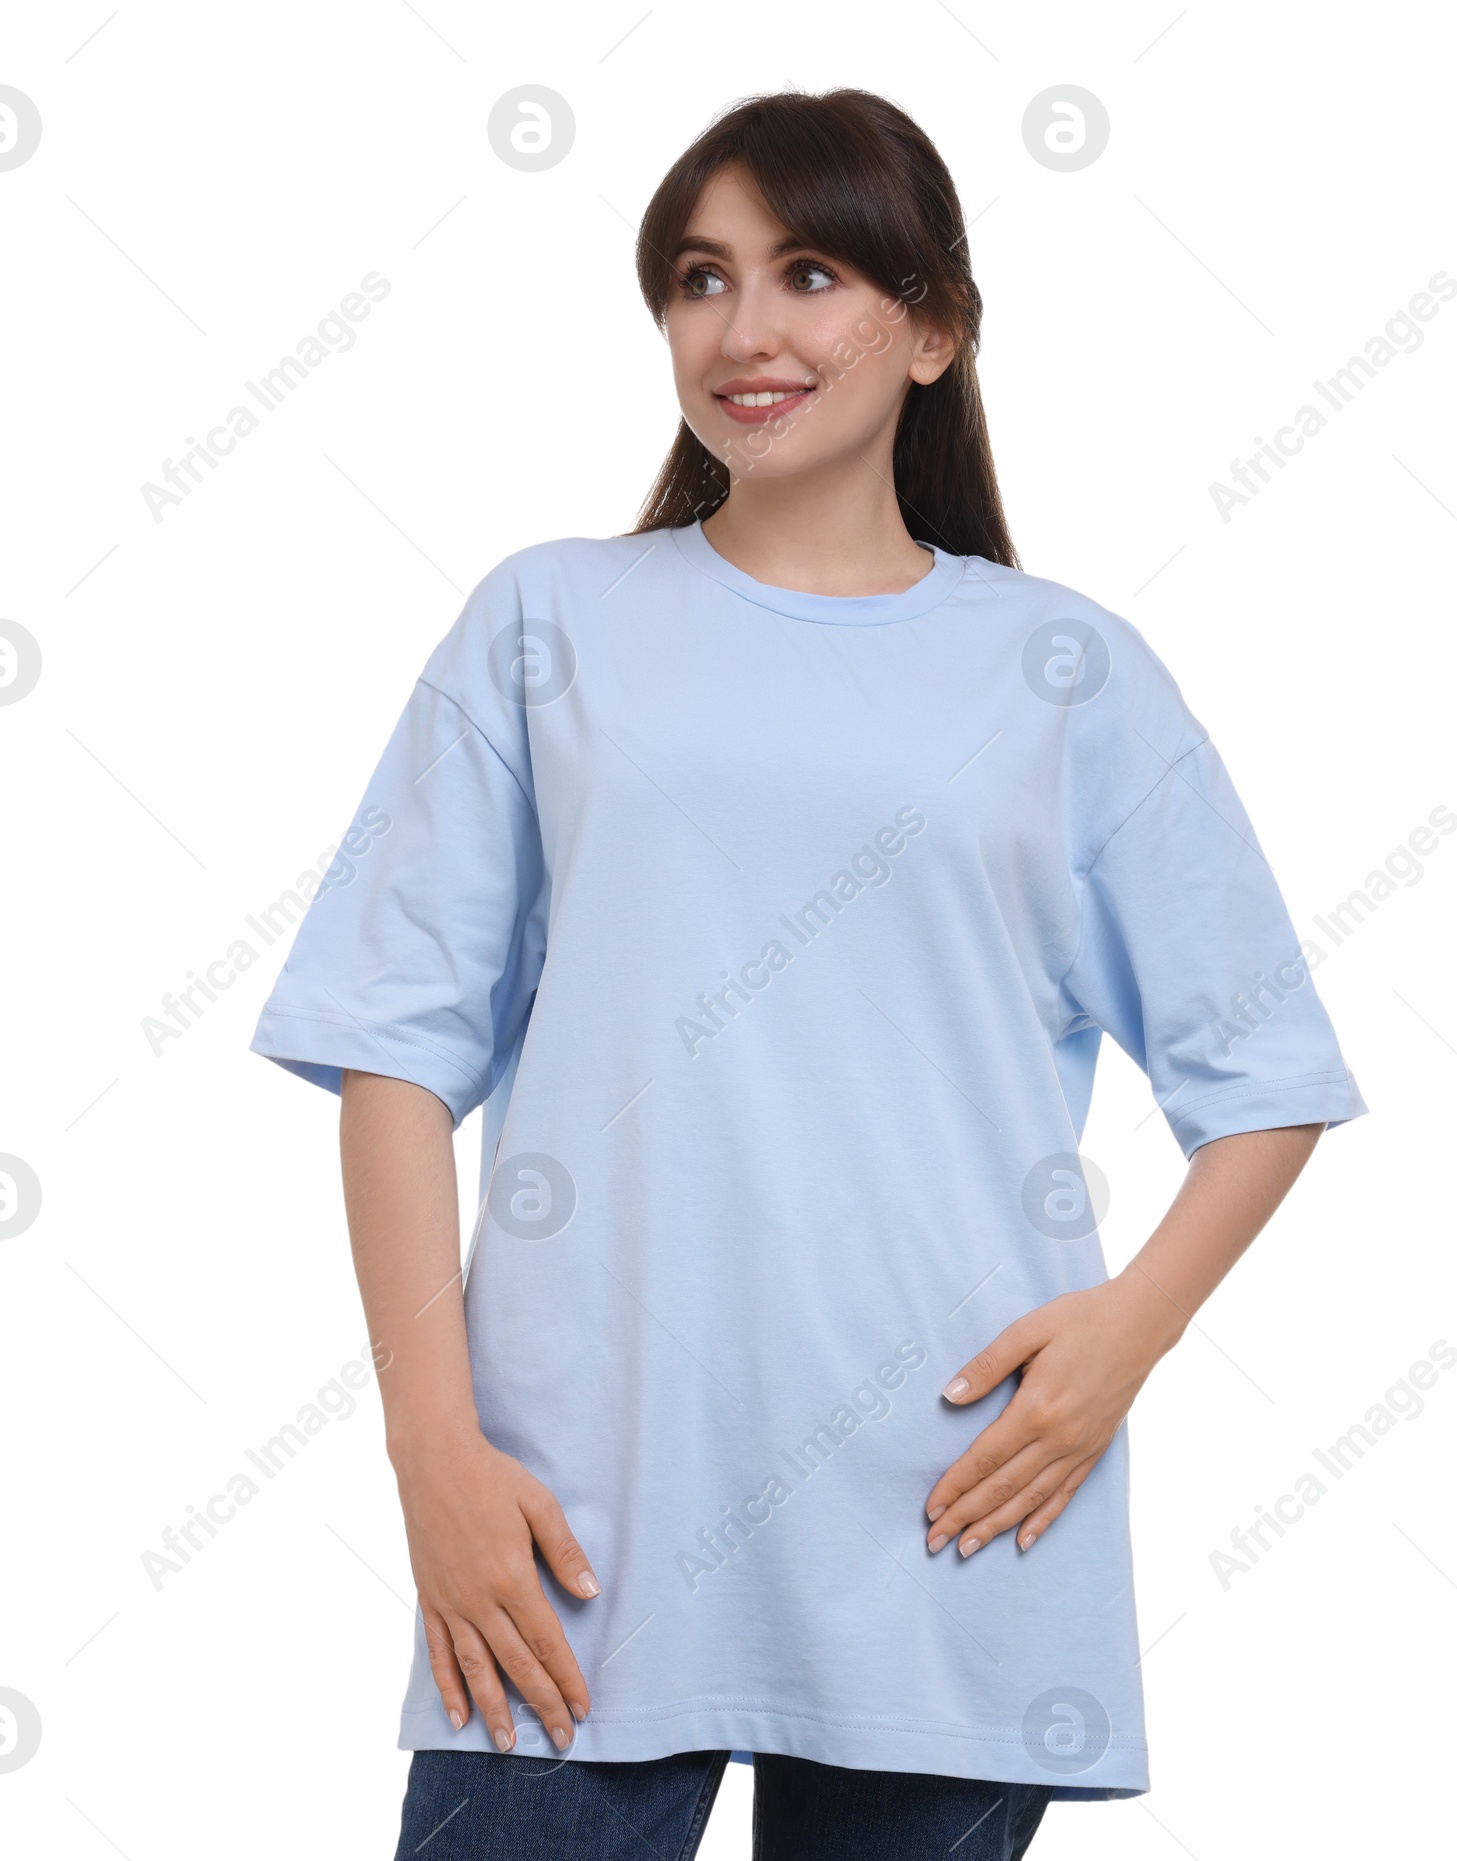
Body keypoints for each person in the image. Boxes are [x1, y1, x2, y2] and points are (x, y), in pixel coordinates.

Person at [250, 86, 1367, 1860]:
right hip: (567, 1531)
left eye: (811, 272)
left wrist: (1117, 1346)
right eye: (700, 278)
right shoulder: (547, 623)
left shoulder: (1067, 669)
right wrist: (431, 1454)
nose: (743, 329)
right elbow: (392, 1053)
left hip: (956, 1504)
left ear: (932, 328)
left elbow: (1268, 1077)